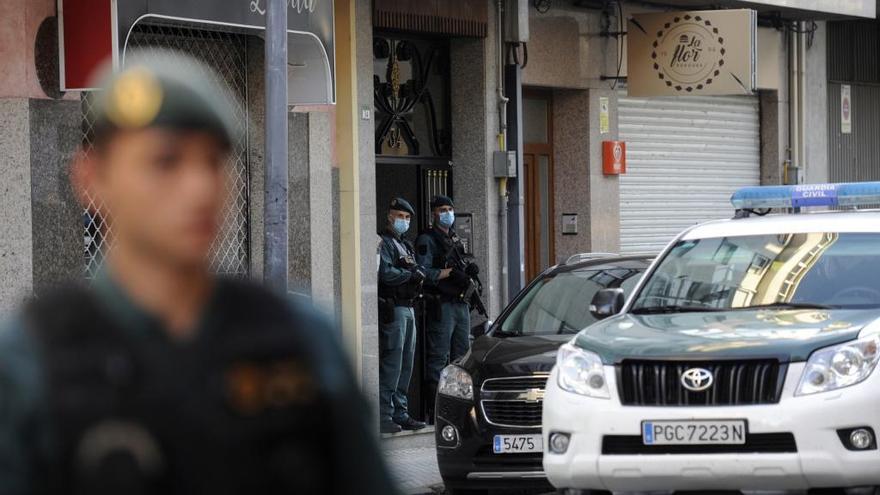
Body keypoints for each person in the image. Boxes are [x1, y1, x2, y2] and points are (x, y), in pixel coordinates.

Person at [0, 51, 398, 495]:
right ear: (92, 179)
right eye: (166, 161)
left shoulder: (298, 339)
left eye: (213, 161)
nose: (201, 187)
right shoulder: (31, 356)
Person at [415, 195, 480, 402]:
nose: (447, 214)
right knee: (438, 359)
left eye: (449, 209)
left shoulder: (453, 237)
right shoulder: (427, 239)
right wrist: (450, 273)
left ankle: (458, 404)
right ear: (433, 213)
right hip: (441, 304)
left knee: (461, 358)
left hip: (460, 303)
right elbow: (423, 272)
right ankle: (437, 409)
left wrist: (468, 271)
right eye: (442, 210)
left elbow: (460, 266)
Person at [376, 198, 428, 434]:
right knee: (393, 362)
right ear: (389, 216)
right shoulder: (384, 242)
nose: (403, 221)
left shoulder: (405, 245)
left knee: (406, 363)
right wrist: (409, 276)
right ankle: (384, 414)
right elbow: (385, 273)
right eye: (400, 216)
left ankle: (401, 412)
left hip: (408, 307)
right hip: (394, 307)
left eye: (407, 218)